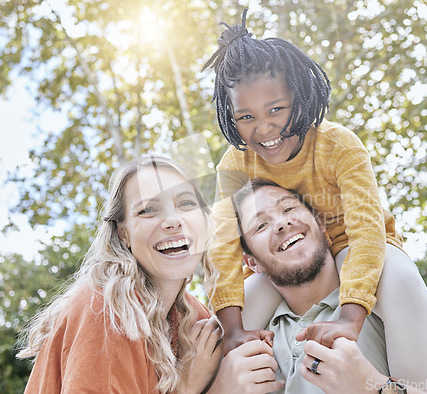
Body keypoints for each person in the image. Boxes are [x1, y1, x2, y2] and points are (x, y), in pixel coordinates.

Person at [203, 9, 427, 392]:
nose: (263, 129)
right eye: (245, 117)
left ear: (298, 97)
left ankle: (425, 385)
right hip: (290, 260)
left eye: (276, 110)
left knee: (399, 278)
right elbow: (221, 247)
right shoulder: (233, 164)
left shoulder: (339, 144)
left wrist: (351, 317)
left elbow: (367, 230)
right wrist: (233, 329)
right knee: (225, 320)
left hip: (353, 246)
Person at [16, 155, 284, 393]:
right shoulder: (107, 310)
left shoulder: (190, 316)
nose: (173, 220)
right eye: (148, 210)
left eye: (186, 203)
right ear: (123, 233)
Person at [234, 179, 427, 393]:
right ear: (252, 262)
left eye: (289, 208)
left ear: (321, 223)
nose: (282, 223)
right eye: (261, 225)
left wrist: (373, 387)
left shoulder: (402, 306)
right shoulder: (253, 345)